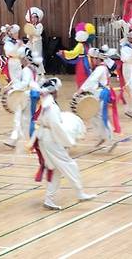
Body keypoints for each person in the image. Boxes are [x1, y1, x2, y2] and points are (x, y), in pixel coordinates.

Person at [31, 78, 96, 210]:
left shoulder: (46, 105)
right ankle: (80, 193)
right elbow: (56, 127)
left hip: (46, 138)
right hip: (50, 140)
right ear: (54, 92)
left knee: (56, 170)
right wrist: (68, 141)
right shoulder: (51, 107)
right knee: (70, 165)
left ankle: (49, 199)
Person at [79, 46, 121, 150]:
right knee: (94, 116)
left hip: (102, 94)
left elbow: (92, 80)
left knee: (102, 117)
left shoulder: (101, 68)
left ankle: (110, 139)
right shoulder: (103, 67)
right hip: (100, 94)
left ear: (97, 59)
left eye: (93, 58)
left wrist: (82, 89)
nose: (92, 60)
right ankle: (102, 136)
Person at [5, 48, 42, 149]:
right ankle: (14, 140)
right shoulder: (33, 69)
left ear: (25, 59)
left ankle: (33, 143)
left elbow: (25, 83)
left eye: (21, 58)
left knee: (26, 120)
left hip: (27, 97)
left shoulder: (26, 70)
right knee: (20, 118)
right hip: (31, 96)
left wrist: (12, 88)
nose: (20, 60)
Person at [58, 22, 96, 89]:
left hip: (82, 63)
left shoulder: (80, 45)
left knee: (81, 76)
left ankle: (82, 90)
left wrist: (64, 52)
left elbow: (73, 53)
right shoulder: (88, 45)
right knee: (88, 76)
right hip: (89, 61)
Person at [24, 7, 45, 75]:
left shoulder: (39, 25)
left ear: (37, 18)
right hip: (31, 42)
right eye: (32, 17)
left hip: (37, 42)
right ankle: (31, 70)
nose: (34, 19)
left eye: (35, 17)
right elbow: (28, 35)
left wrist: (32, 29)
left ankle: (40, 71)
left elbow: (38, 33)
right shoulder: (30, 25)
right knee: (29, 55)